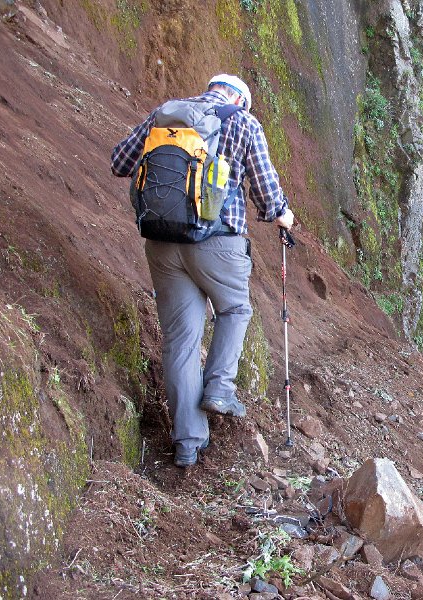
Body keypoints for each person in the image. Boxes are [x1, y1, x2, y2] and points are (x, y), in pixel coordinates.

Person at [111, 74, 294, 467]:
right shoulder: (243, 122)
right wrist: (282, 214)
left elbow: (120, 162)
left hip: (163, 242)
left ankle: (188, 445)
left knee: (180, 342)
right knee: (235, 310)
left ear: (210, 89)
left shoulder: (166, 115)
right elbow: (265, 190)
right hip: (218, 243)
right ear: (241, 99)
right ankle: (219, 388)